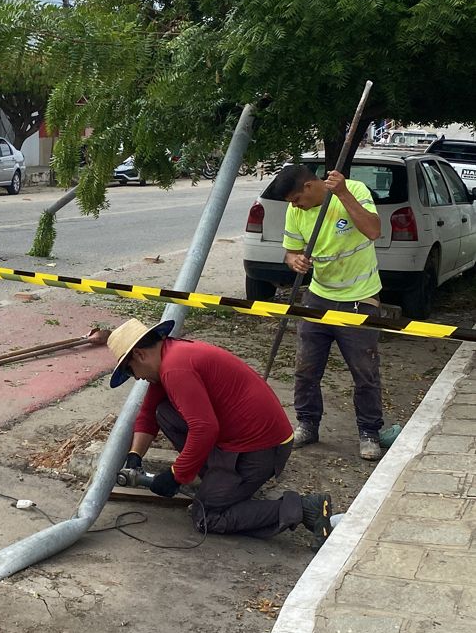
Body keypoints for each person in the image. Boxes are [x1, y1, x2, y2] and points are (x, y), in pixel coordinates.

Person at [108, 318, 332, 545]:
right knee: (163, 412)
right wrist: (135, 456)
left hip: (261, 449)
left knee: (207, 517)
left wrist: (176, 475)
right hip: (246, 439)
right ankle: (221, 483)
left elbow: (204, 429)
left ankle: (306, 508)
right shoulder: (171, 355)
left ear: (139, 355)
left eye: (131, 371)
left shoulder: (175, 368)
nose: (136, 377)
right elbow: (148, 415)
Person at [268, 162, 383, 461]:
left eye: (297, 199)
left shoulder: (353, 190)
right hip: (318, 297)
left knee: (365, 372)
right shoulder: (297, 212)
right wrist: (293, 261)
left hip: (359, 299)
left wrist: (343, 194)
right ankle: (307, 423)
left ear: (308, 186)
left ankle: (369, 431)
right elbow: (290, 251)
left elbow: (373, 230)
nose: (296, 206)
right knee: (306, 369)